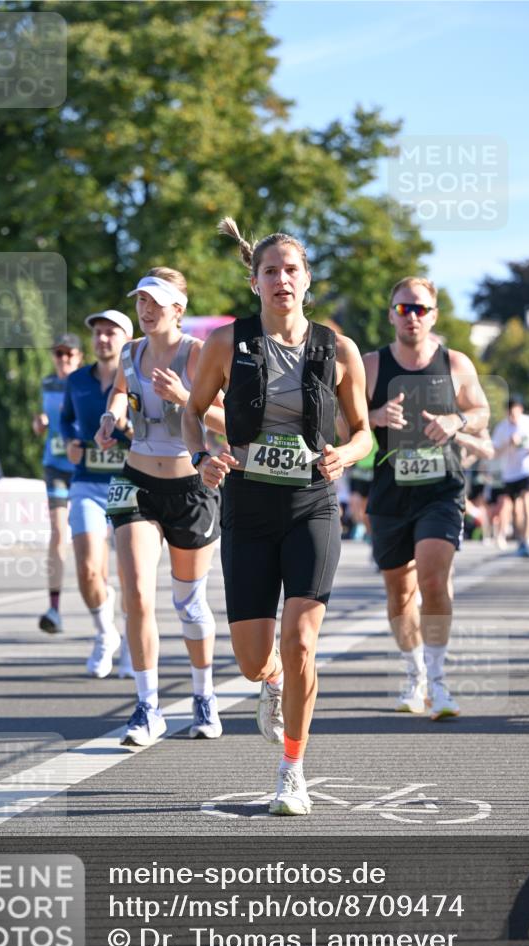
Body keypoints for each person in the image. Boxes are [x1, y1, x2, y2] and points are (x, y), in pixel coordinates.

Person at [183, 218, 372, 816]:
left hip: (312, 505)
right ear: (255, 282)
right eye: (270, 271)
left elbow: (364, 432)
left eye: (292, 270)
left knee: (302, 641)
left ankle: (292, 769)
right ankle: (268, 684)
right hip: (247, 506)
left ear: (306, 280)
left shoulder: (336, 349)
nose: (281, 280)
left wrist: (346, 451)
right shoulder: (225, 343)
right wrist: (202, 457)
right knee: (251, 659)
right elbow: (192, 412)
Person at [95, 268, 227, 747]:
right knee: (135, 594)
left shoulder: (201, 354)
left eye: (155, 302)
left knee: (189, 604)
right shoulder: (130, 353)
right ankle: (147, 707)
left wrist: (185, 397)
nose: (145, 310)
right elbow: (120, 393)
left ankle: (203, 695)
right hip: (135, 482)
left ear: (179, 308)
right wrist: (112, 417)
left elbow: (230, 422)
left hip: (191, 488)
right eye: (140, 302)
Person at [363, 277, 489, 721]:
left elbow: (481, 412)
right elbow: (344, 424)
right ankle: (414, 671)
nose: (411, 316)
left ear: (433, 315)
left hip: (442, 490)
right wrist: (374, 416)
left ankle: (438, 681)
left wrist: (457, 421)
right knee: (399, 596)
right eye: (403, 309)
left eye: (419, 308)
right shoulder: (371, 366)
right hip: (390, 494)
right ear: (392, 313)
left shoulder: (454, 362)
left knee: (434, 579)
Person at [60, 310, 134, 678]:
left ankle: (134, 641)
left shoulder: (139, 377)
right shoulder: (77, 380)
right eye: (98, 333)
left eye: (111, 333)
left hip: (132, 482)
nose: (103, 339)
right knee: (89, 569)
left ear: (127, 339)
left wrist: (132, 433)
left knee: (131, 573)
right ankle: (106, 634)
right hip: (87, 480)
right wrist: (71, 443)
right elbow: (65, 418)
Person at [32, 333, 83, 633]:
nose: (62, 359)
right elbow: (45, 421)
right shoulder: (48, 384)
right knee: (57, 532)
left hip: (86, 467)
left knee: (87, 538)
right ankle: (54, 608)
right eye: (57, 354)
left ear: (79, 357)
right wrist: (39, 424)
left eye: (68, 354)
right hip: (55, 467)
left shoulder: (87, 382)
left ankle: (100, 590)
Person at [491, 395, 529, 557]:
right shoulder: (502, 428)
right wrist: (508, 442)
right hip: (510, 473)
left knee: (527, 502)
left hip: (527, 470)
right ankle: (521, 539)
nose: (513, 417)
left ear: (521, 410)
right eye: (510, 414)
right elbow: (494, 451)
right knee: (515, 510)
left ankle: (526, 540)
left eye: (515, 413)